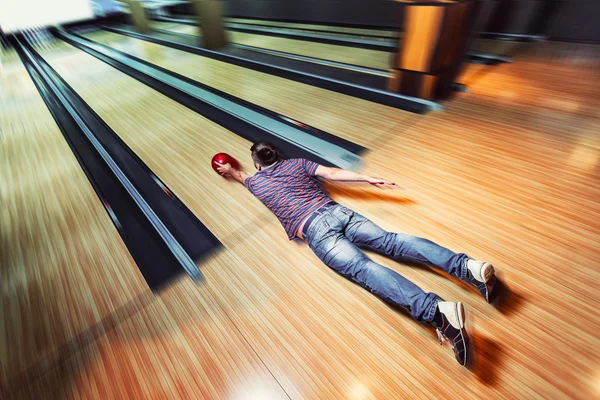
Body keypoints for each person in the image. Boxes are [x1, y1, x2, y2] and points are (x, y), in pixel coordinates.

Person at [215, 141, 498, 366]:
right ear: (277, 155)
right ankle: (469, 268)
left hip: (316, 232)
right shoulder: (297, 164)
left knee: (365, 270)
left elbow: (238, 175)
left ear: (257, 165)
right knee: (393, 241)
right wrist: (366, 178)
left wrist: (229, 170)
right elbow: (332, 174)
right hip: (338, 212)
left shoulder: (256, 183)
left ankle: (438, 313)